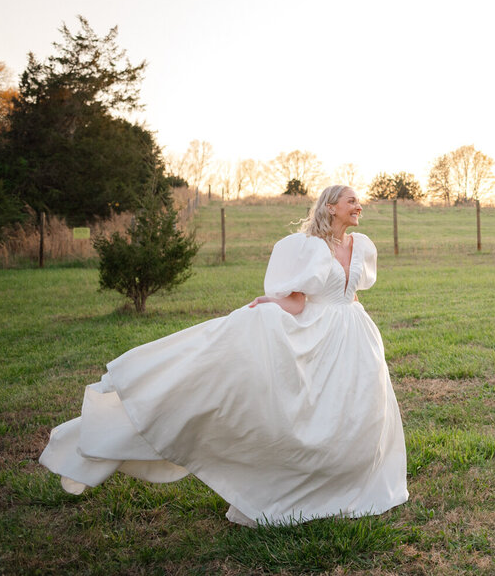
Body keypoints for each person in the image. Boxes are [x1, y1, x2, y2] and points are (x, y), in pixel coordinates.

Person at [39, 185, 407, 526]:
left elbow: (351, 293)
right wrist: (268, 303)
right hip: (318, 333)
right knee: (303, 411)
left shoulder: (362, 245)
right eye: (351, 201)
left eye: (359, 202)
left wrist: (355, 324)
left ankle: (356, 482)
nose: (359, 207)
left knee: (359, 410)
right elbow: (297, 302)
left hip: (355, 335)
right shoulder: (308, 247)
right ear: (331, 207)